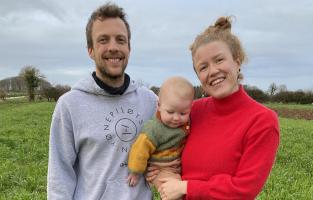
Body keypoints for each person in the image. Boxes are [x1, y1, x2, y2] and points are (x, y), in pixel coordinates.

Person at [148, 16, 280, 200]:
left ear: (237, 60)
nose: (212, 71)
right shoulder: (191, 111)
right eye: (203, 67)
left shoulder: (262, 120)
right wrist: (164, 177)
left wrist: (186, 187)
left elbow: (244, 189)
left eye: (219, 60)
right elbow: (159, 148)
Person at [47, 3, 157, 200]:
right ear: (90, 50)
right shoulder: (69, 106)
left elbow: (170, 147)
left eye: (120, 40)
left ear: (129, 48)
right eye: (103, 40)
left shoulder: (150, 102)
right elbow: (59, 176)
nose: (113, 47)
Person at [127, 76, 194, 192]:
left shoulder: (186, 123)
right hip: (159, 169)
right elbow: (139, 150)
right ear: (159, 106)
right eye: (170, 112)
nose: (176, 118)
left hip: (175, 166)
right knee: (174, 190)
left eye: (183, 113)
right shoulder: (154, 129)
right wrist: (135, 171)